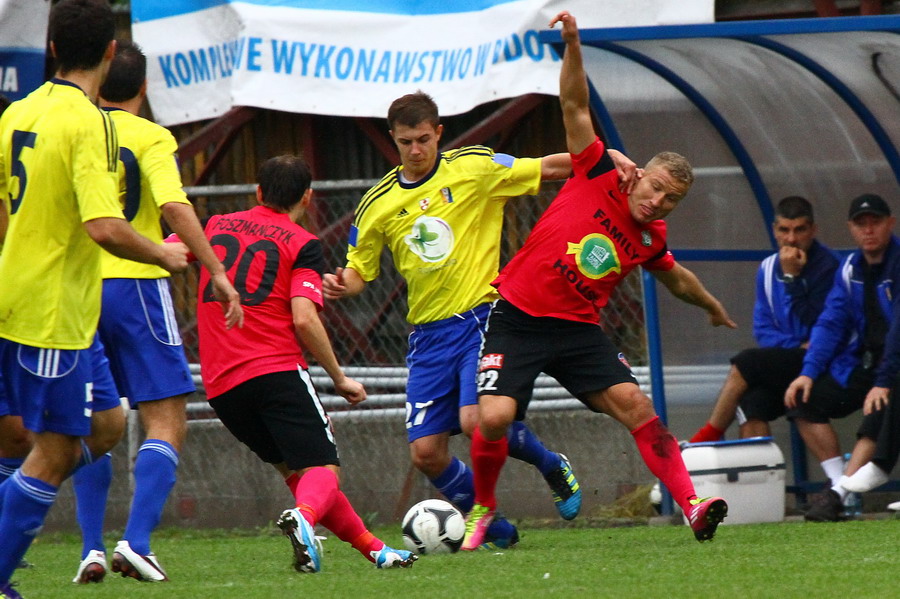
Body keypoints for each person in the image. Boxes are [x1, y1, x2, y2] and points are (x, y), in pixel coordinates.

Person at [461, 11, 737, 551]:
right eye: (655, 187)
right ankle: (483, 507)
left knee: (638, 407)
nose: (657, 201)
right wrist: (572, 46)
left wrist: (710, 306)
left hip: (577, 331)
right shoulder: (598, 169)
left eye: (671, 199)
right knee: (492, 418)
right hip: (517, 315)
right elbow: (574, 105)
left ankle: (693, 504)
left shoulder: (652, 238)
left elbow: (676, 279)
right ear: (641, 174)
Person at [322, 89, 640, 543]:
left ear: (439, 134)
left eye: (424, 139)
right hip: (427, 336)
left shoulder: (473, 168)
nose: (415, 150)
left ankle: (550, 464)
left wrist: (602, 157)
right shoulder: (377, 203)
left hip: (482, 317)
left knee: (476, 423)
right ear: (393, 139)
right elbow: (359, 271)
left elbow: (546, 167)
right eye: (406, 142)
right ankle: (499, 531)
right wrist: (341, 284)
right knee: (426, 453)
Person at [0, 1, 190, 597]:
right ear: (111, 54)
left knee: (106, 423)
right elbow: (104, 225)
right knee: (54, 453)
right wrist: (164, 254)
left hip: (45, 303)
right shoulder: (87, 122)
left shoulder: (16, 112)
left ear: (52, 49)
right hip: (51, 312)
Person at [177, 154, 416, 572]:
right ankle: (304, 520)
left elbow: (170, 251)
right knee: (324, 470)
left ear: (257, 191)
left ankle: (376, 551)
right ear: (307, 196)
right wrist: (339, 377)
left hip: (221, 387)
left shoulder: (215, 226)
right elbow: (304, 317)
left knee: (303, 477)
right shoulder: (303, 243)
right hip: (276, 371)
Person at [68, 39, 243, 584]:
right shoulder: (150, 136)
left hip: (77, 289)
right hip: (138, 285)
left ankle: (90, 549)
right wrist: (215, 269)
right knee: (166, 417)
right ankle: (137, 541)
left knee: (94, 420)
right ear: (145, 87)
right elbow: (171, 204)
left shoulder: (75, 131)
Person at [784, 194, 900, 521]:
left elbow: (898, 332)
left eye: (875, 222)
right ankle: (839, 485)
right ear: (850, 228)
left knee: (883, 401)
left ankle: (840, 493)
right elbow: (831, 322)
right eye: (860, 224)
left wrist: (883, 382)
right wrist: (808, 372)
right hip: (863, 364)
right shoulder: (850, 269)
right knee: (801, 399)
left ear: (890, 223)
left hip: (893, 365)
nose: (868, 230)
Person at [689, 196, 838, 442]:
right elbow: (763, 329)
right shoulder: (768, 268)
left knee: (746, 362)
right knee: (751, 402)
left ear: (813, 230)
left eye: (799, 230)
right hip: (791, 355)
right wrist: (794, 345)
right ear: (774, 231)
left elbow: (821, 324)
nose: (791, 239)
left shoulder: (830, 267)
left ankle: (709, 435)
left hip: (823, 359)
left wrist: (792, 279)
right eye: (784, 230)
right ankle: (757, 475)